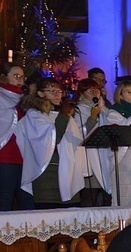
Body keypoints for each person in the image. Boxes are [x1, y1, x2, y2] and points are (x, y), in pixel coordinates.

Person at [16, 77, 84, 209]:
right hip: (47, 175)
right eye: (51, 91)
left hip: (67, 172)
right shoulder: (35, 115)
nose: (57, 95)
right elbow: (52, 139)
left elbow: (76, 141)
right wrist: (64, 115)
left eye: (59, 91)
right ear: (41, 94)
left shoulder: (61, 114)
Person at [71, 78, 111, 206]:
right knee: (91, 197)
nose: (95, 93)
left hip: (104, 156)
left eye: (97, 90)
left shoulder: (104, 110)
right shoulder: (78, 111)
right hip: (89, 159)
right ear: (82, 94)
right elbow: (78, 135)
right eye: (90, 91)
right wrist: (92, 117)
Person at [0, 62, 34, 211]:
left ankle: (30, 233)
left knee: (26, 200)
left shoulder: (24, 99)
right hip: (5, 156)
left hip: (23, 156)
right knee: (5, 199)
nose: (20, 80)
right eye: (16, 76)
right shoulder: (2, 97)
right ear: (4, 77)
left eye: (22, 77)